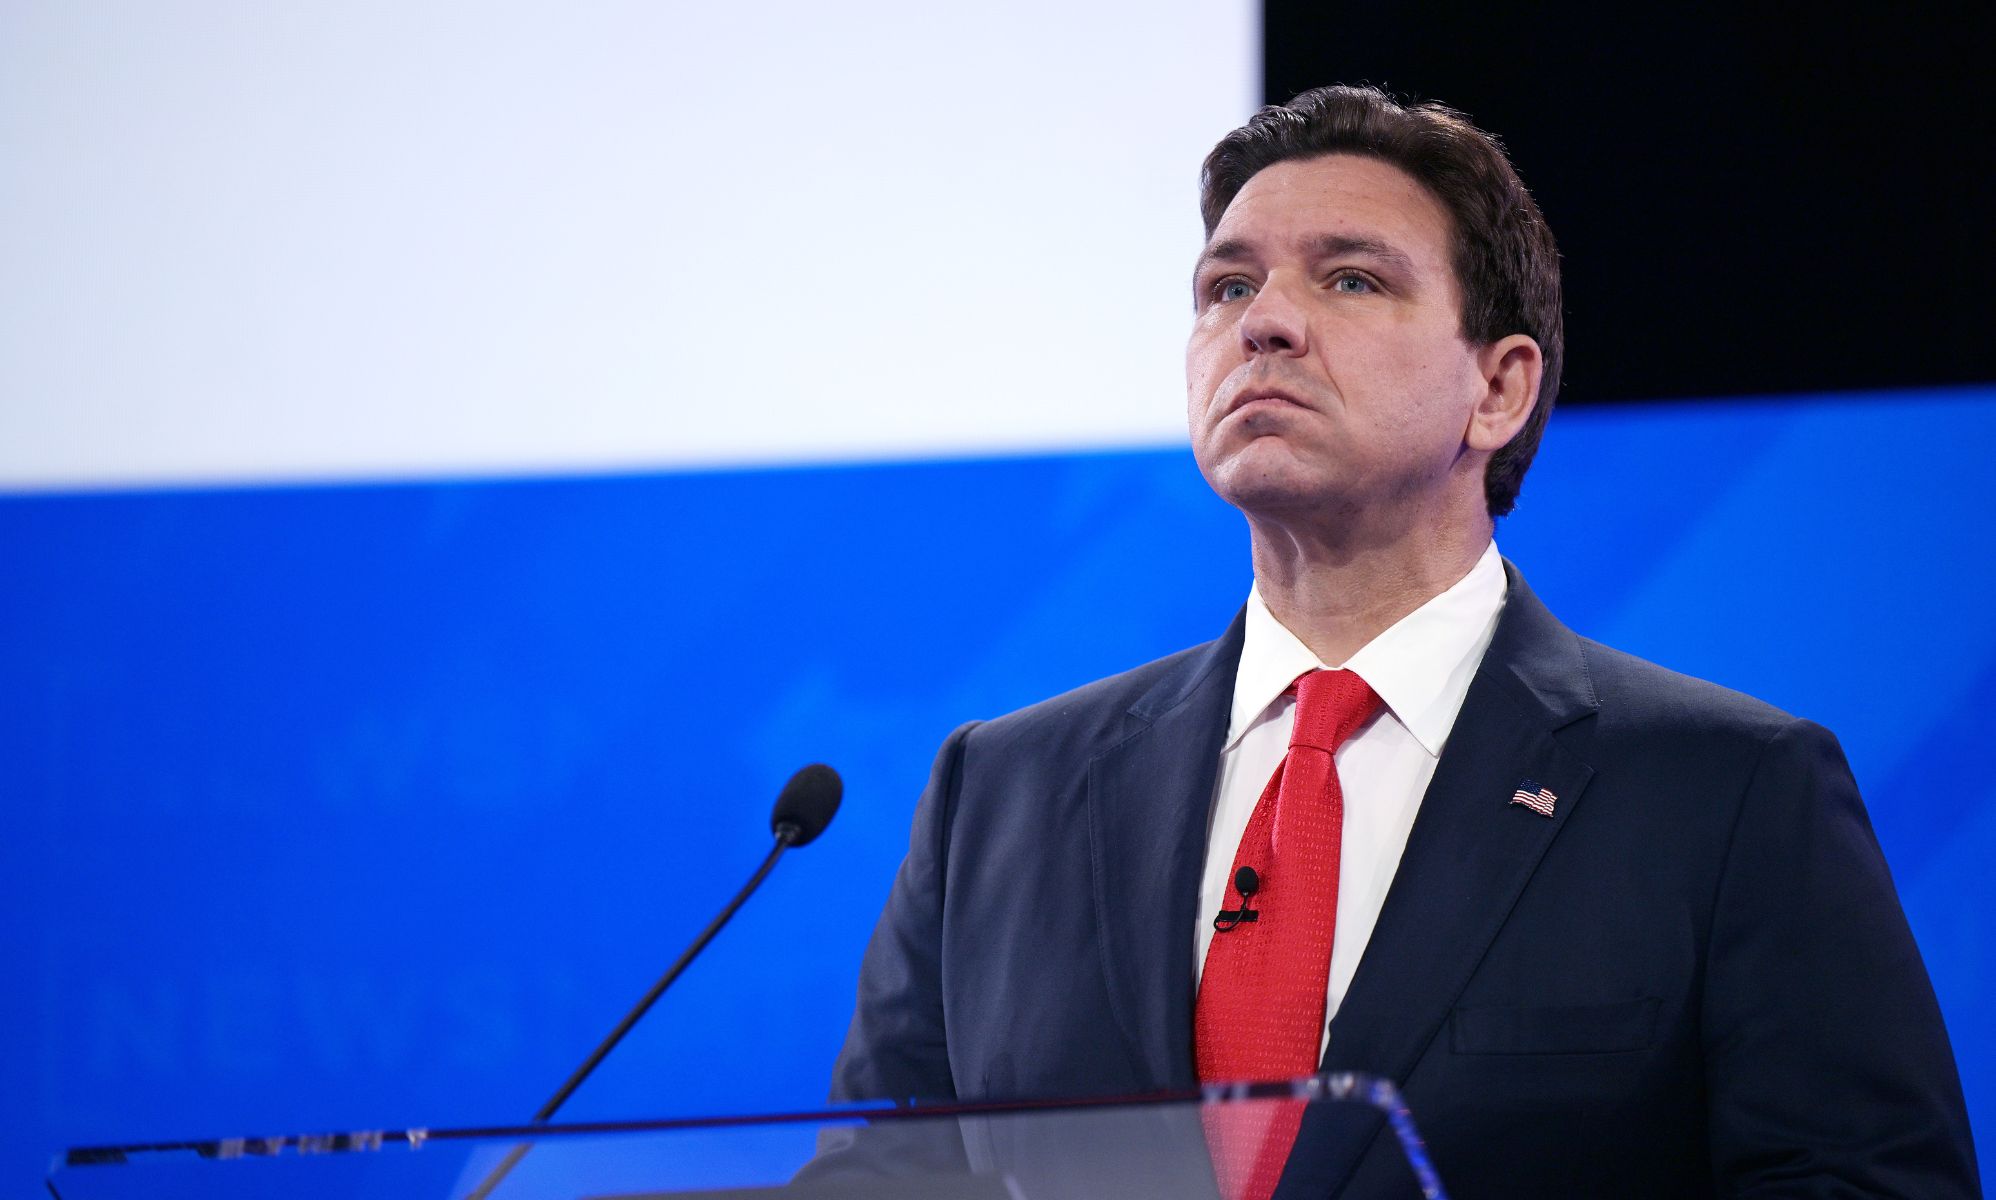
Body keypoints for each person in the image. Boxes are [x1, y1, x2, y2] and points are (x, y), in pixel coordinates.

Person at [825, 85, 1979, 1198]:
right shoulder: (1000, 792)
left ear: (1498, 389)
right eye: (1226, 287)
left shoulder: (1727, 793)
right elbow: (873, 1186)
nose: (1263, 321)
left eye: (1351, 278)